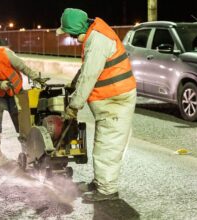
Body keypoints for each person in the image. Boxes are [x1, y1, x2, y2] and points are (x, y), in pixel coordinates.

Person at [56, 8, 137, 202]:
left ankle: (107, 190)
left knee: (107, 147)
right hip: (111, 100)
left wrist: (73, 106)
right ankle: (100, 182)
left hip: (115, 100)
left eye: (71, 34)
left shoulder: (98, 40)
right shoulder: (94, 35)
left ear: (78, 30)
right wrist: (74, 84)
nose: (73, 38)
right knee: (102, 144)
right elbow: (86, 71)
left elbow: (90, 76)